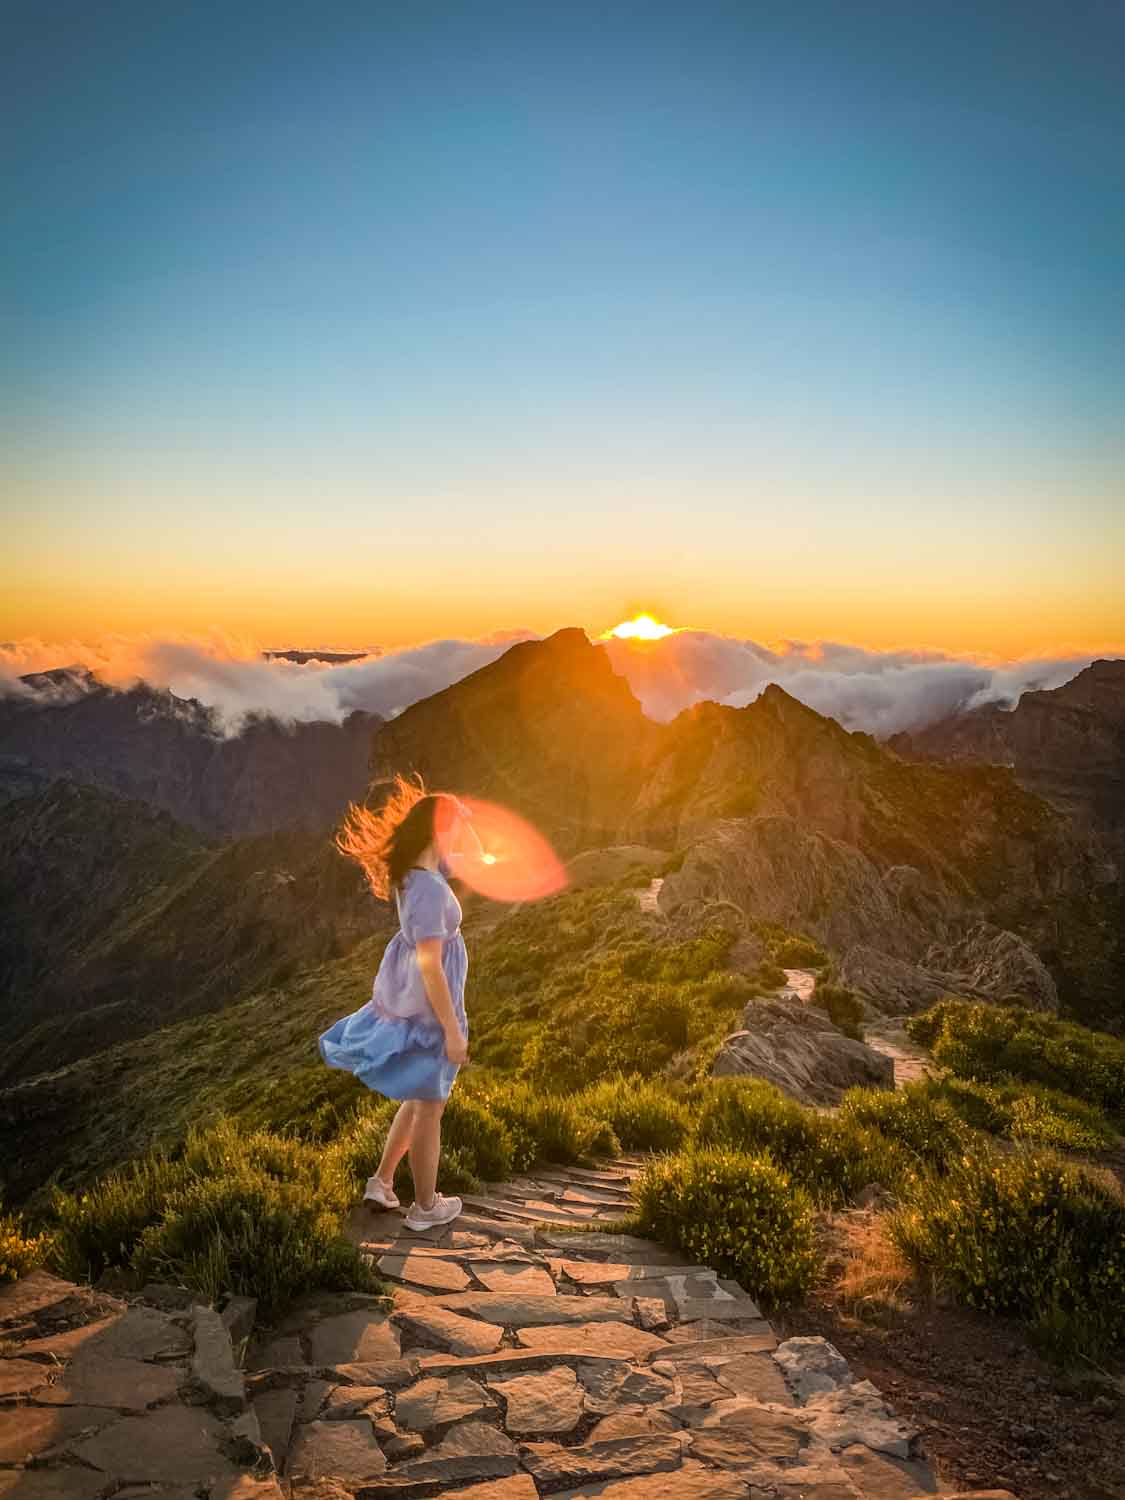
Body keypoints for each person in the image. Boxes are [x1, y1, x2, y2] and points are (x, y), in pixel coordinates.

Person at [319, 776, 477, 1232]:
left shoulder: (418, 874)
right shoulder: (428, 890)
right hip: (432, 1009)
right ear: (437, 833)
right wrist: (452, 1029)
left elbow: (455, 860)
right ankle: (426, 1207)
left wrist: (462, 823)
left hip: (417, 1002)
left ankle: (382, 1182)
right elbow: (430, 964)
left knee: (419, 1096)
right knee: (431, 1106)